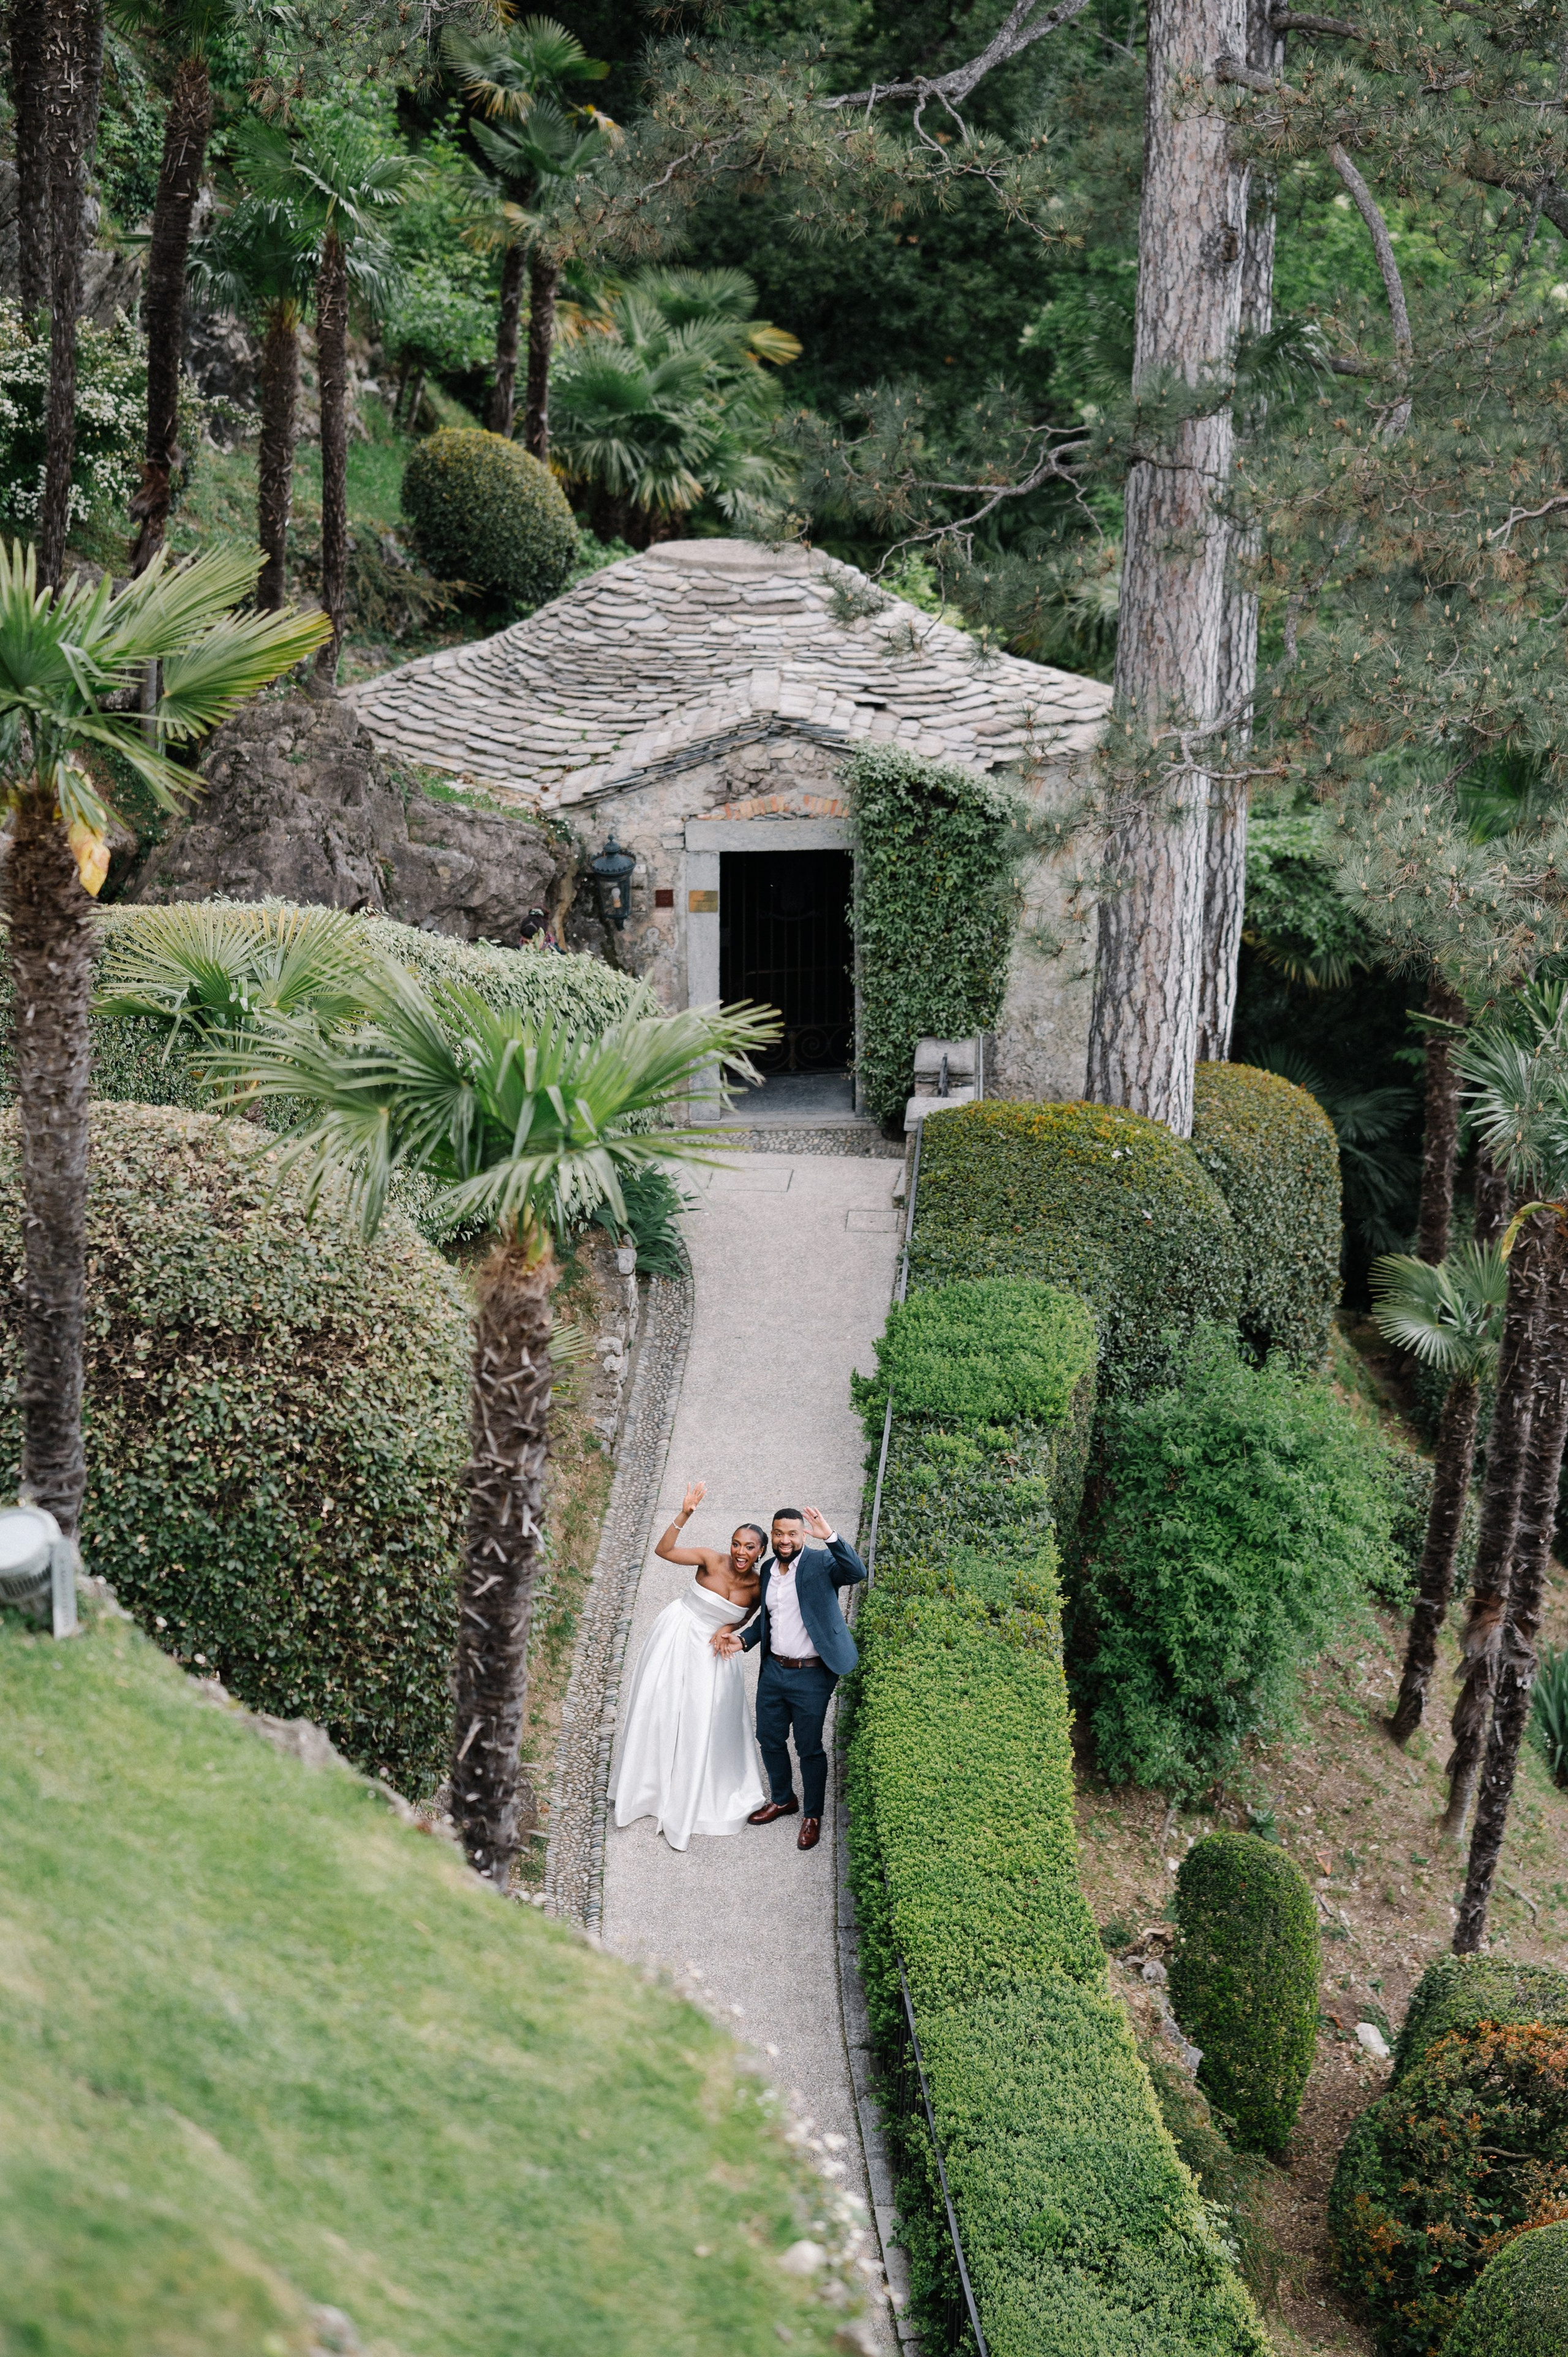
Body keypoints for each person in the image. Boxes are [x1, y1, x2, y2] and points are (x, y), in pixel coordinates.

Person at [610, 1479, 767, 1851]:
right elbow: (663, 1551)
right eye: (736, 1543)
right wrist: (684, 1514)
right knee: (661, 1706)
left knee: (707, 1718)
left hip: (714, 1652)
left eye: (749, 1547)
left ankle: (694, 1789)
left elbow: (750, 1617)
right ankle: (646, 1790)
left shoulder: (759, 1587)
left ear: (761, 1552)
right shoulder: (711, 1560)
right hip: (678, 1635)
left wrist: (728, 1629)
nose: (741, 1551)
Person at [712, 1506, 867, 1854]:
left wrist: (830, 1537)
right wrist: (743, 1640)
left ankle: (812, 1816)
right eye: (779, 1533)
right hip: (774, 1671)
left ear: (802, 1536)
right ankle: (783, 1799)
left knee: (809, 1747)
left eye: (792, 1534)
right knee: (769, 1738)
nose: (785, 1540)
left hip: (812, 1674)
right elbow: (768, 1619)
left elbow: (856, 1572)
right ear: (773, 1534)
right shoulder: (768, 1570)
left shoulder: (821, 1563)